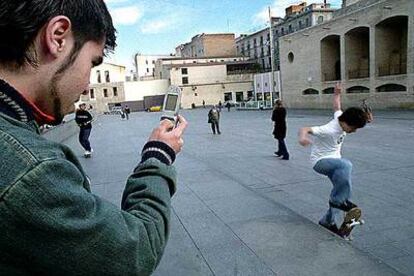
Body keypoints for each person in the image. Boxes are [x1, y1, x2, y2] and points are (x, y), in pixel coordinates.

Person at [0, 1, 188, 275]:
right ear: (58, 36)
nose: (88, 84)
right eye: (92, 62)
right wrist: (158, 155)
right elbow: (135, 251)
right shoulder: (31, 171)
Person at [298, 82, 367, 236]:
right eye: (353, 128)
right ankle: (338, 201)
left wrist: (337, 93)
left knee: (343, 189)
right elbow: (305, 129)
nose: (354, 132)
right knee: (346, 166)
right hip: (321, 162)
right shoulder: (328, 130)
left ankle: (328, 220)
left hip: (334, 163)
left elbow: (336, 107)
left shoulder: (340, 117)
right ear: (346, 123)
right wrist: (303, 138)